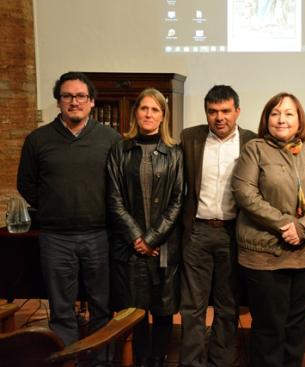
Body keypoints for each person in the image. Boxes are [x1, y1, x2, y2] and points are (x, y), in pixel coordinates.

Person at [17, 72, 120, 352]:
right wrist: (54, 205)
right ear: (59, 101)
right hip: (56, 238)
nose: (74, 101)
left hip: (99, 236)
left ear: (92, 101)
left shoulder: (110, 139)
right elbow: (26, 183)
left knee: (102, 306)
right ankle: (67, 359)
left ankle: (102, 360)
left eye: (80, 96)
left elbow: (118, 185)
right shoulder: (38, 140)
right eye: (67, 96)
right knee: (62, 311)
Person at [232, 92, 305, 367]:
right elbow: (245, 193)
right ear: (266, 118)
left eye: (289, 113)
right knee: (269, 327)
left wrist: (303, 228)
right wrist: (284, 225)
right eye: (275, 113)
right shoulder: (254, 149)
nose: (282, 119)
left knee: (296, 325)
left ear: (299, 119)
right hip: (264, 254)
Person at [178, 85, 256, 367]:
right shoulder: (190, 139)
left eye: (225, 111)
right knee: (192, 307)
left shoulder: (252, 142)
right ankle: (191, 363)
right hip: (197, 232)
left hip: (233, 233)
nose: (219, 117)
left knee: (227, 306)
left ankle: (221, 362)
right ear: (206, 113)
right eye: (213, 111)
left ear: (237, 111)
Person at [107, 88, 183, 367]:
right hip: (130, 247)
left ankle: (158, 358)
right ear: (135, 113)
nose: (149, 114)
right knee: (134, 310)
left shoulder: (175, 153)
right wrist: (138, 238)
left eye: (155, 110)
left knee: (162, 309)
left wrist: (152, 238)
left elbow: (178, 200)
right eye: (144, 108)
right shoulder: (119, 150)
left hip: (163, 246)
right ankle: (138, 358)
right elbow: (114, 199)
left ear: (163, 116)